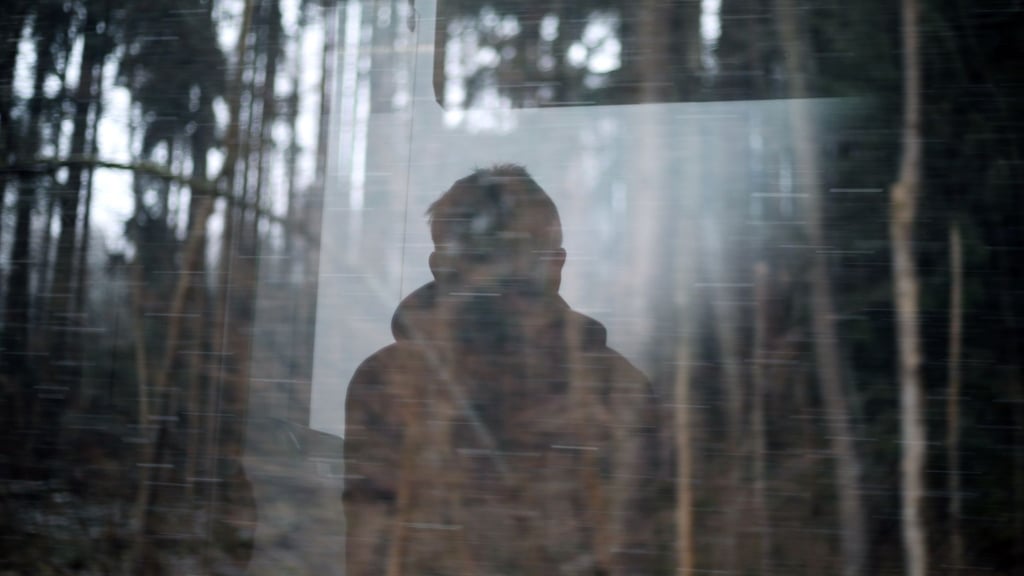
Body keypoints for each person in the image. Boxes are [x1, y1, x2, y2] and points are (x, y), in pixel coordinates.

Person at [343, 165, 658, 575]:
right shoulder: (390, 383)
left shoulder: (388, 382)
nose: (496, 282)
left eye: (511, 259)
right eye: (481, 258)